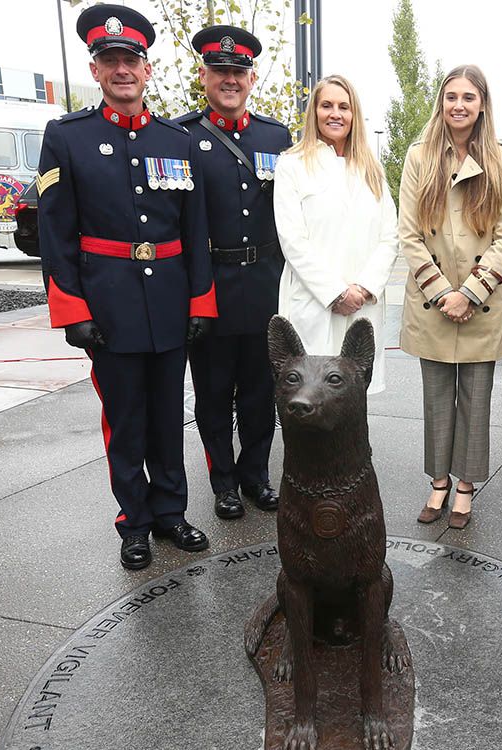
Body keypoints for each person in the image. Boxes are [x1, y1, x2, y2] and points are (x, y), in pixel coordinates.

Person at [37, 4, 217, 570]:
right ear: (95, 70)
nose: (121, 70)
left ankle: (171, 513)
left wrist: (200, 301)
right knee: (126, 422)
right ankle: (133, 522)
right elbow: (56, 231)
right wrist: (71, 309)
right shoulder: (67, 138)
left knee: (168, 415)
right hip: (108, 306)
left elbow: (196, 231)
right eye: (109, 60)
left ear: (147, 68)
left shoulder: (177, 140)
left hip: (167, 301)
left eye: (130, 60)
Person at [177, 26, 292, 521]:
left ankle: (256, 475)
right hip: (212, 286)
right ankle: (223, 481)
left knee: (261, 392)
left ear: (251, 78)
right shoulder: (181, 136)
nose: (230, 80)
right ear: (204, 76)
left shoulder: (276, 136)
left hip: (265, 284)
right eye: (220, 71)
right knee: (214, 393)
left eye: (238, 72)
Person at [400, 65, 502, 530]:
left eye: (468, 97)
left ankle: (466, 484)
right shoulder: (419, 156)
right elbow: (409, 235)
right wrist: (443, 293)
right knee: (435, 397)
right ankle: (438, 481)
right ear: (441, 101)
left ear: (483, 103)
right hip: (434, 298)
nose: (459, 105)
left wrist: (469, 292)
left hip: (480, 300)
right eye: (451, 96)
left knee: (476, 398)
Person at [273, 75, 398, 394]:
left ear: (354, 114)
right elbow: (292, 240)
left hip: (362, 305)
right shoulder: (292, 165)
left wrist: (364, 287)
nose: (335, 114)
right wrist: (335, 292)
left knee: (352, 401)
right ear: (314, 112)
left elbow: (389, 236)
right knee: (311, 397)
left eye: (344, 107)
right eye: (326, 105)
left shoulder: (372, 169)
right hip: (315, 305)